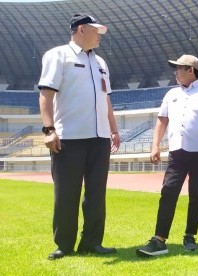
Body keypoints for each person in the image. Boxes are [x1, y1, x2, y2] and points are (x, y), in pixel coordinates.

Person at [38, 14, 120, 260]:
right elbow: (46, 94)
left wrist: (114, 130)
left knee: (96, 194)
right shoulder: (58, 55)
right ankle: (64, 244)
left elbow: (106, 99)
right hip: (68, 137)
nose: (100, 36)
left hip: (100, 138)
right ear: (81, 29)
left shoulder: (101, 62)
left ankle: (92, 242)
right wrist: (49, 129)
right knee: (66, 194)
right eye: (97, 31)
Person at [136, 54, 198, 257]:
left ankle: (190, 236)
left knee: (196, 195)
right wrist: (155, 146)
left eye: (179, 68)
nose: (175, 72)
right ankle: (159, 239)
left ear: (191, 71)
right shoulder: (171, 95)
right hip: (177, 151)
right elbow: (162, 121)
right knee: (168, 191)